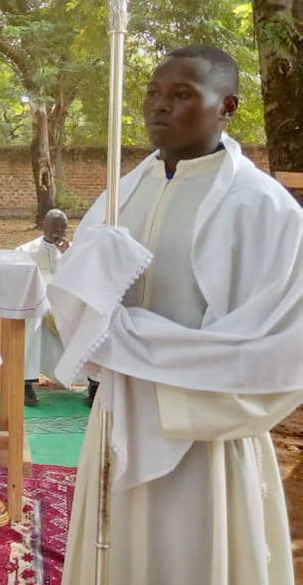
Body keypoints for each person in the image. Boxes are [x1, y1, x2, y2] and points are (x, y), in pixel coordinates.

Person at [51, 46, 303, 585]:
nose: (158, 107)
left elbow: (274, 348)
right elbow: (73, 307)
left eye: (181, 94)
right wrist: (89, 288)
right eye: (152, 93)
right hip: (118, 414)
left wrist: (127, 340)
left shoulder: (264, 208)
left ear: (227, 106)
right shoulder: (120, 198)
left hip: (204, 438)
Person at [17, 208, 69, 406]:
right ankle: (26, 381)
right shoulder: (25, 251)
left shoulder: (72, 250)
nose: (59, 231)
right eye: (55, 226)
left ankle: (94, 383)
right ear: (44, 226)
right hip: (39, 304)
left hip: (67, 306)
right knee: (32, 317)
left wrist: (70, 255)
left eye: (63, 227)